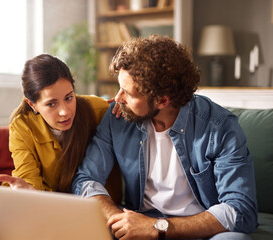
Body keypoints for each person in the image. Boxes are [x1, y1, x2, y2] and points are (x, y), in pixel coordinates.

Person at [72, 35, 258, 240]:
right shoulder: (117, 117)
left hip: (199, 230)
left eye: (127, 93)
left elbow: (240, 209)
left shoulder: (219, 127)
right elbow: (86, 179)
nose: (118, 99)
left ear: (162, 100)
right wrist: (119, 221)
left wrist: (158, 227)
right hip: (140, 226)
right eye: (119, 88)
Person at [0, 54, 121, 200]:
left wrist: (125, 103)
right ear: (32, 104)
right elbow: (28, 179)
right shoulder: (22, 126)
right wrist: (27, 191)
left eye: (69, 98)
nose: (65, 112)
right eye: (51, 104)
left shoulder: (97, 109)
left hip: (103, 208)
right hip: (53, 208)